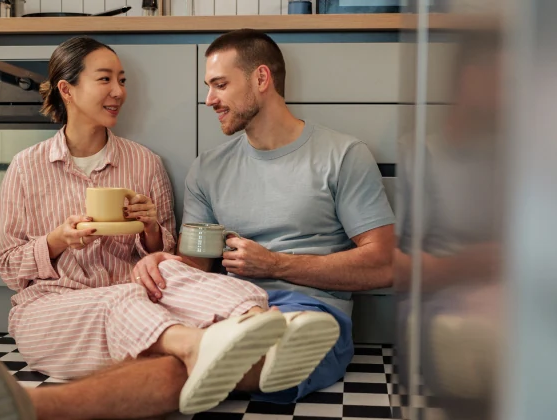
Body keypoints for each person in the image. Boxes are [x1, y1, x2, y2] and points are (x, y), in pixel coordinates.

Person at [0, 35, 339, 420]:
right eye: (105, 79)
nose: (118, 91)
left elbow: (167, 261)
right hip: (52, 311)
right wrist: (56, 240)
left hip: (142, 306)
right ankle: (208, 344)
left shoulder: (143, 163)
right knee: (126, 299)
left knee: (178, 273)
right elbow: (10, 268)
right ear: (67, 89)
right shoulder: (26, 168)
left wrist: (149, 234)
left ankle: (261, 323)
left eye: (122, 80)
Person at [134, 28, 397, 404]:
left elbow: (383, 263)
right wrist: (165, 260)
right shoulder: (208, 167)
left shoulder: (342, 155)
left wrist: (275, 264)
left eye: (220, 85)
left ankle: (36, 409)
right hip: (223, 307)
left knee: (175, 368)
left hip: (310, 316)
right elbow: (197, 266)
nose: (209, 100)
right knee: (140, 331)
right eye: (209, 86)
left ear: (261, 78)